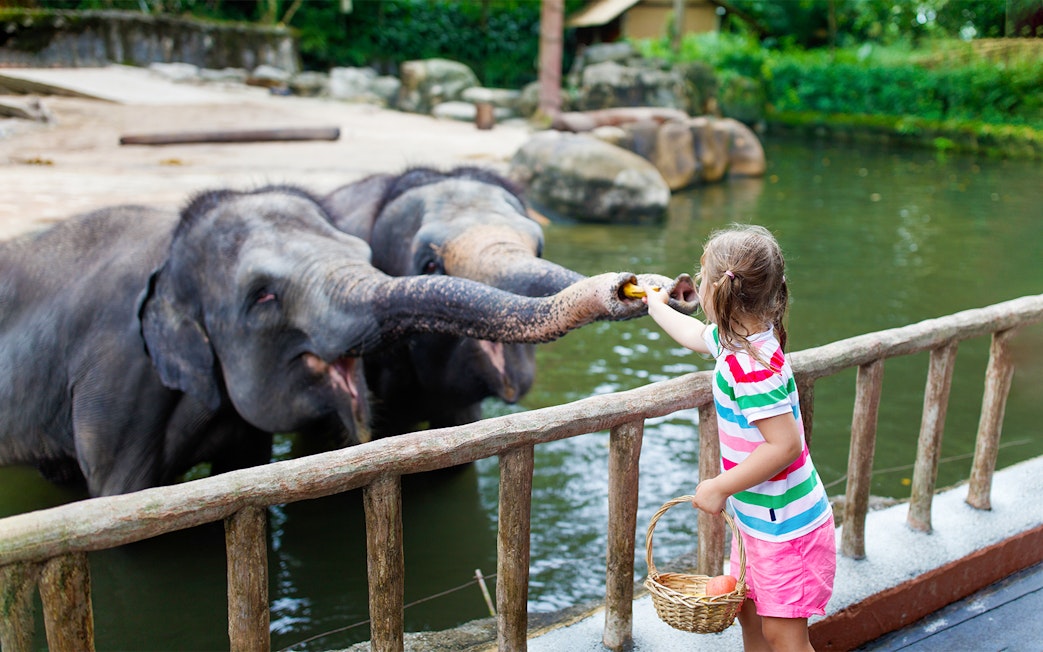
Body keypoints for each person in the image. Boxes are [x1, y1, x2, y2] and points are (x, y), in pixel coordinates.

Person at [641, 224, 835, 652]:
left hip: (787, 528)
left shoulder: (750, 366)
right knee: (750, 618)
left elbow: (784, 445)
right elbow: (695, 335)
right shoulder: (741, 341)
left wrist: (719, 486)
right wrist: (656, 306)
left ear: (716, 290)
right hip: (761, 522)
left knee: (783, 637)